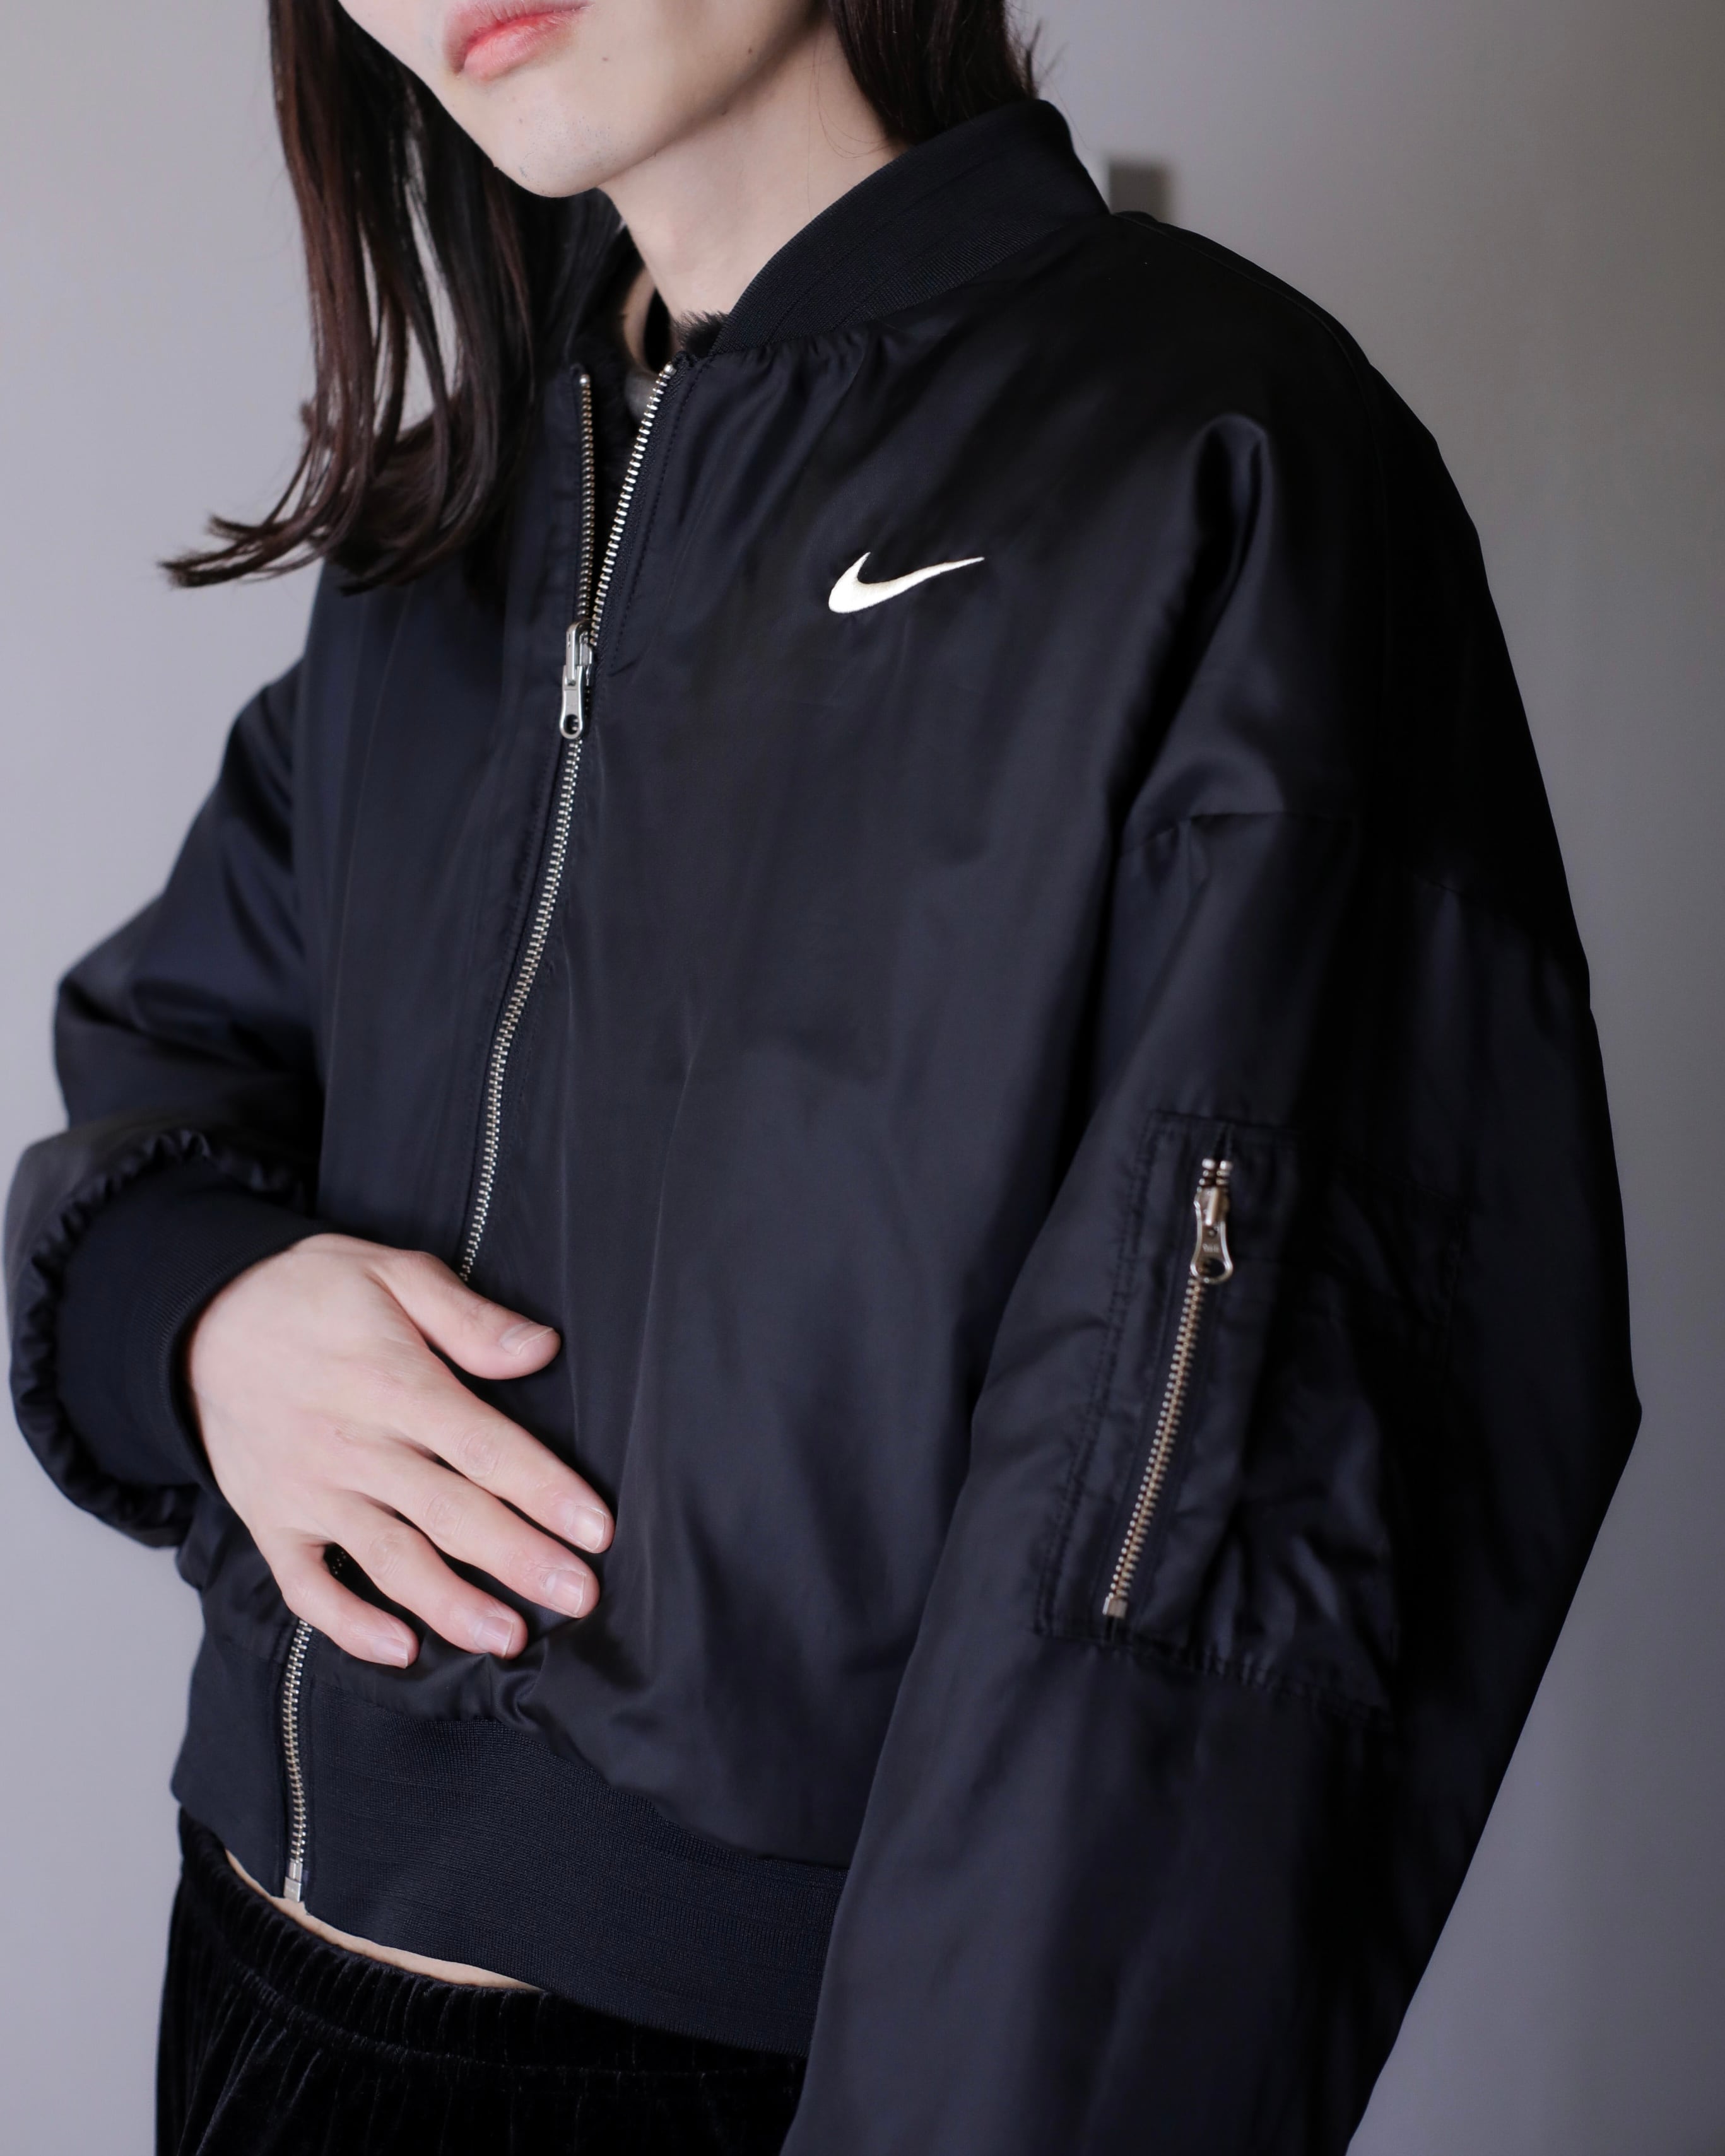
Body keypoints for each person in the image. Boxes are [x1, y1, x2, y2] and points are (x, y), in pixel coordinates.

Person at [4, 0, 1640, 2150]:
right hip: (247, 1994)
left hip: (746, 2080)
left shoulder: (1212, 460)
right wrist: (202, 1316)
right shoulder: (475, 500)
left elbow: (1243, 1521)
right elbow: (175, 1054)